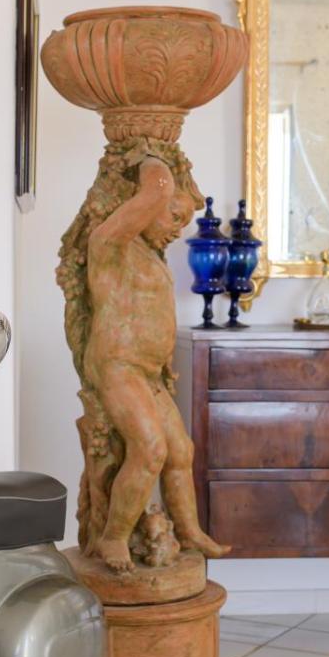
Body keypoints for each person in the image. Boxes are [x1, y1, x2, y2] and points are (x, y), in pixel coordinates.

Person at [79, 155, 230, 572]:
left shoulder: (150, 256)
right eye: (174, 216)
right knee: (150, 450)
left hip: (148, 373)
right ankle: (113, 537)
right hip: (118, 367)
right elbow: (155, 190)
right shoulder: (110, 245)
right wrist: (152, 157)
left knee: (181, 451)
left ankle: (189, 530)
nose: (178, 229)